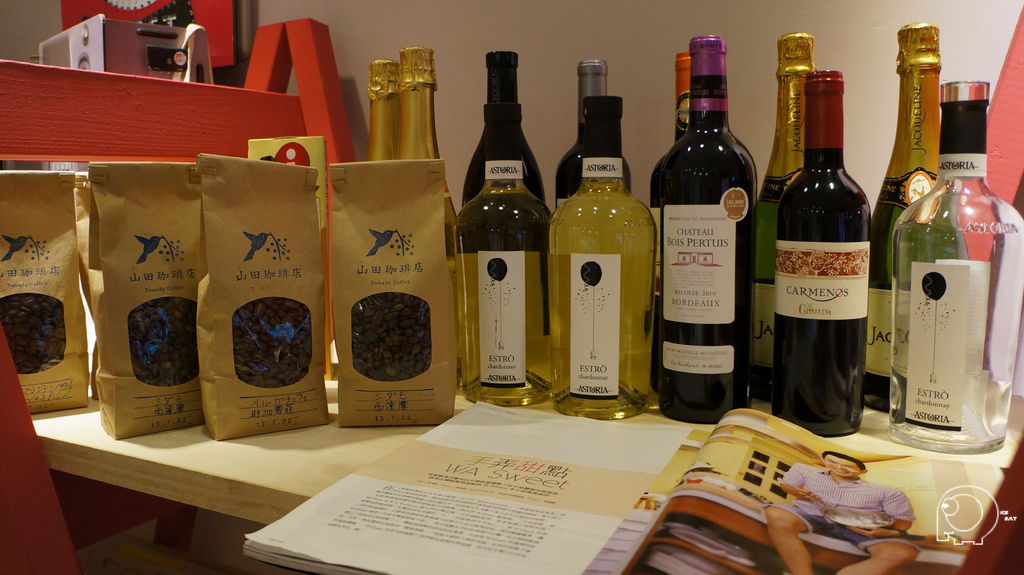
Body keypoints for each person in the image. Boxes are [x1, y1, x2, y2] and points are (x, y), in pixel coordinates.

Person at [764, 451, 919, 575]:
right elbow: (787, 485)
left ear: (863, 471)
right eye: (833, 462)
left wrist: (893, 532)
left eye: (848, 466)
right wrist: (797, 492)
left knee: (902, 552)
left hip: (856, 528)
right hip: (809, 514)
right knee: (775, 513)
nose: (839, 467)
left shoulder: (886, 492)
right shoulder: (803, 470)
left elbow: (903, 519)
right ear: (824, 460)